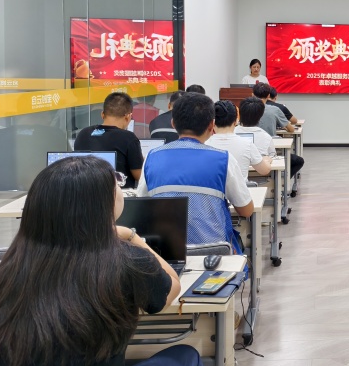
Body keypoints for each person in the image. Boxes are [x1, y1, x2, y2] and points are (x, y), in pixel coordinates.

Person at [0, 156, 203, 366]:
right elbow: (171, 287)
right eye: (116, 183)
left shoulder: (13, 264)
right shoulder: (126, 260)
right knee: (188, 360)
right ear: (104, 203)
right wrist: (132, 237)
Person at [137, 92, 253, 254]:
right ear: (211, 126)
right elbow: (246, 210)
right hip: (214, 254)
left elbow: (141, 204)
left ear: (173, 123)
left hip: (166, 254)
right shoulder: (224, 159)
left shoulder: (152, 158)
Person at [74, 91, 143, 188]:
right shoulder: (128, 138)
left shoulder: (83, 134)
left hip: (86, 192)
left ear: (102, 114)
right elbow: (139, 176)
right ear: (128, 117)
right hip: (116, 194)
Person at [206, 100, 272, 177]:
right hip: (240, 185)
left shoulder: (203, 144)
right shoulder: (247, 144)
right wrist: (267, 160)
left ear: (212, 122)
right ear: (236, 121)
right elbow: (264, 170)